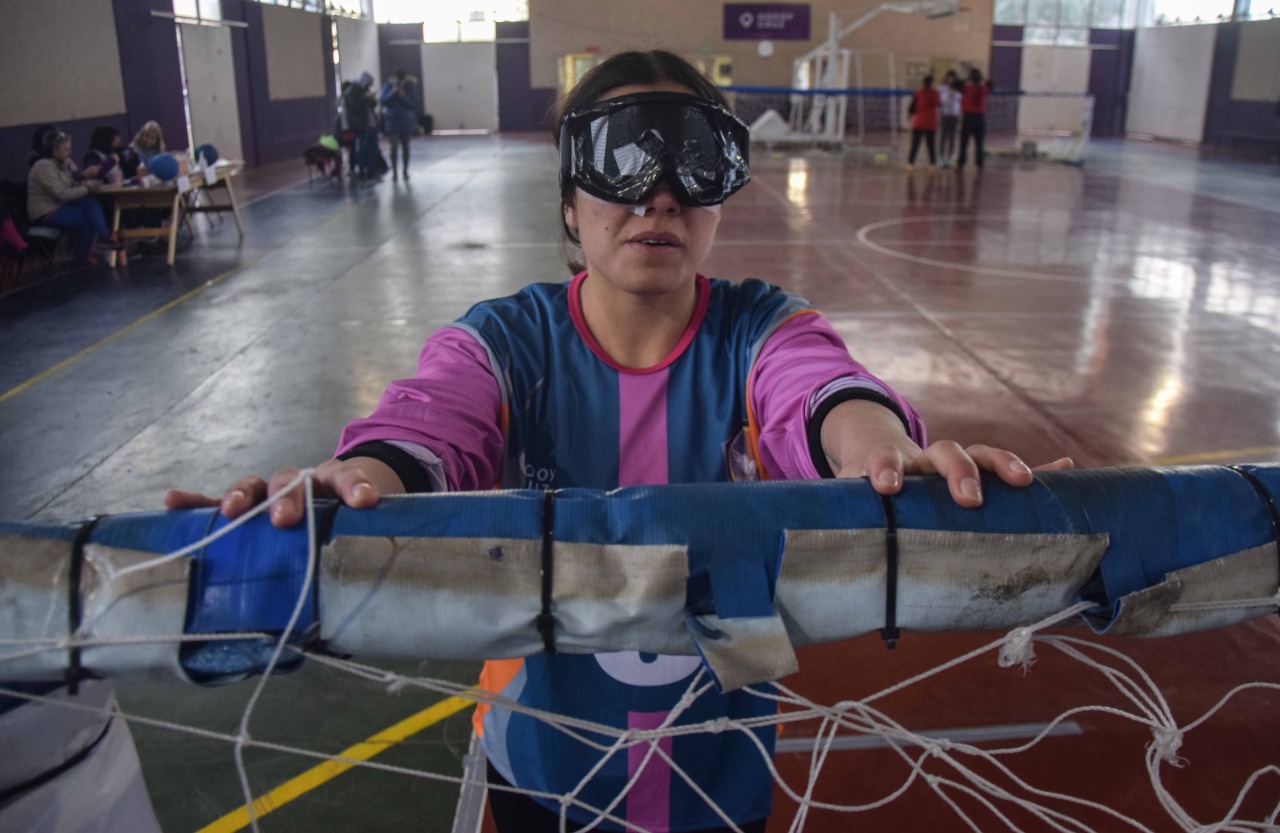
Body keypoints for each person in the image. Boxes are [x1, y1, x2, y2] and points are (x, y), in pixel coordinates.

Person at [165, 50, 1071, 833]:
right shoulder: (510, 342)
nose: (661, 197)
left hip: (721, 764)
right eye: (623, 163)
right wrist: (355, 479)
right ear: (569, 201)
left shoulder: (759, 330)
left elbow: (821, 392)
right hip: (541, 765)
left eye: (693, 165)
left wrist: (882, 451)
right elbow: (430, 421)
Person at [27, 130, 123, 264]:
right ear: (54, 150)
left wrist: (86, 180)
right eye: (66, 150)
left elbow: (73, 181)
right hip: (46, 210)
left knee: (90, 202)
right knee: (87, 218)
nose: (69, 153)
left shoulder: (65, 163)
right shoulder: (43, 166)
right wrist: (87, 187)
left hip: (62, 203)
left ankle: (103, 237)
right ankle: (83, 256)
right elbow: (61, 193)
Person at [380, 68, 418, 180]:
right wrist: (393, 93)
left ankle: (405, 171)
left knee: (406, 147)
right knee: (394, 147)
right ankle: (394, 172)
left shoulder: (409, 88)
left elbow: (412, 104)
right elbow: (383, 101)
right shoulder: (388, 86)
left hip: (405, 121)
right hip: (392, 122)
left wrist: (403, 96)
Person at [343, 72, 380, 179]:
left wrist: (372, 100)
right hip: (361, 126)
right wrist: (365, 99)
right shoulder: (351, 92)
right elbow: (354, 108)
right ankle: (362, 171)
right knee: (361, 150)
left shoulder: (365, 90)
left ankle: (371, 170)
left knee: (373, 150)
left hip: (372, 124)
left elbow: (372, 105)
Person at [956, 68, 991, 172]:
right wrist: (982, 79)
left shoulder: (966, 88)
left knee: (964, 142)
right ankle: (979, 162)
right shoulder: (984, 89)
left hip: (968, 117)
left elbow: (957, 84)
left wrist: (967, 78)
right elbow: (991, 84)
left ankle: (961, 161)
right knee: (979, 143)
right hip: (979, 118)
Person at [905, 74, 940, 171]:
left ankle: (910, 164)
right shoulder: (936, 93)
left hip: (919, 121)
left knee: (915, 144)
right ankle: (932, 164)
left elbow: (913, 106)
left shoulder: (918, 92)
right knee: (931, 145)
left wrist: (910, 114)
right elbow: (938, 104)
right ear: (932, 83)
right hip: (930, 122)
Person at [938, 70, 962, 168]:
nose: (951, 79)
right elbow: (942, 100)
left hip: (954, 115)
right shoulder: (943, 88)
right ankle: (941, 157)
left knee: (952, 136)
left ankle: (949, 157)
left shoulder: (958, 90)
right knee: (943, 136)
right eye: (949, 77)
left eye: (953, 77)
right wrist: (948, 92)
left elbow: (959, 99)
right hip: (945, 114)